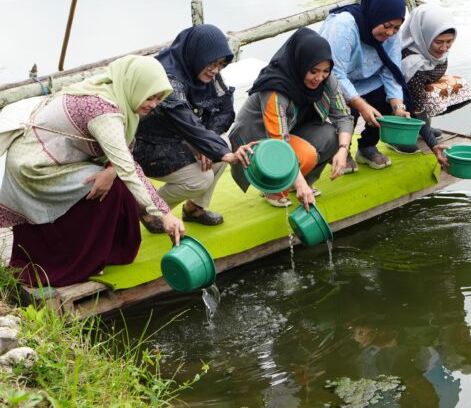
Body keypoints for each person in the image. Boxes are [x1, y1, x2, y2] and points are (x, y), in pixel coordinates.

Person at [0, 55, 185, 287]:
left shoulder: (117, 93)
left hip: (59, 158)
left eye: (159, 98)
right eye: (150, 97)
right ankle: (69, 262)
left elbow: (122, 152)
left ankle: (105, 253)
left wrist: (110, 170)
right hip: (34, 167)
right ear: (134, 85)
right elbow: (127, 166)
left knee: (113, 183)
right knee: (112, 189)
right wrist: (164, 213)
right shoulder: (103, 110)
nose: (154, 104)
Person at [133, 24, 255, 231]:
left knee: (222, 143)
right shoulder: (167, 77)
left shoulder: (209, 73)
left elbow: (225, 110)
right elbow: (182, 116)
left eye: (221, 65)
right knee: (200, 178)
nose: (216, 70)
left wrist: (207, 141)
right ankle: (149, 210)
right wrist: (208, 146)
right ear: (198, 55)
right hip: (146, 144)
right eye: (212, 64)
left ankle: (194, 209)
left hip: (181, 138)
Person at [228, 27, 353, 209]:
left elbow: (343, 116)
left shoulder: (327, 79)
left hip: (291, 129)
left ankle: (301, 183)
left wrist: (343, 150)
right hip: (257, 142)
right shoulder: (274, 88)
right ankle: (274, 188)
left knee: (334, 135)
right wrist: (299, 183)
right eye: (314, 71)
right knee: (306, 155)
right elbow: (279, 143)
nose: (319, 77)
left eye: (325, 71)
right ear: (300, 63)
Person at [319, 0, 414, 172]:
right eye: (387, 25)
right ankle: (340, 152)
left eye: (396, 28)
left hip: (366, 79)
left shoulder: (393, 35)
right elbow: (334, 72)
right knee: (347, 111)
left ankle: (367, 147)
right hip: (331, 80)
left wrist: (398, 108)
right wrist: (360, 104)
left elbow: (391, 70)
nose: (390, 32)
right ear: (375, 14)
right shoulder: (344, 25)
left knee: (391, 99)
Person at [393, 3, 471, 154]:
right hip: (398, 99)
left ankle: (422, 128)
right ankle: (398, 136)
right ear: (423, 36)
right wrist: (433, 142)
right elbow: (417, 106)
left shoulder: (431, 51)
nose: (444, 48)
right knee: (410, 102)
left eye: (449, 42)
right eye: (438, 42)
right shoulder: (412, 63)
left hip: (418, 92)